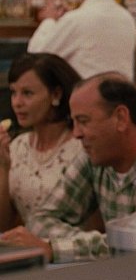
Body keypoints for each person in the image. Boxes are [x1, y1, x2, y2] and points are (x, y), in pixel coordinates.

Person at [0, 73, 136, 263]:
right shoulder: (95, 155)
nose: (76, 133)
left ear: (121, 118)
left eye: (83, 121)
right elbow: (41, 220)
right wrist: (88, 244)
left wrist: (54, 248)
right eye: (74, 122)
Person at [0, 53, 83, 230]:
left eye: (27, 93)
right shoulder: (18, 146)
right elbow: (3, 226)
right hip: (24, 245)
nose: (17, 103)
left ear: (56, 94)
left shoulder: (81, 146)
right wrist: (3, 167)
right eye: (13, 93)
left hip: (70, 245)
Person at [27, 0, 136, 81]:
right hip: (123, 93)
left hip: (87, 93)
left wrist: (49, 20)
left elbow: (37, 57)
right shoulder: (127, 19)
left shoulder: (77, 20)